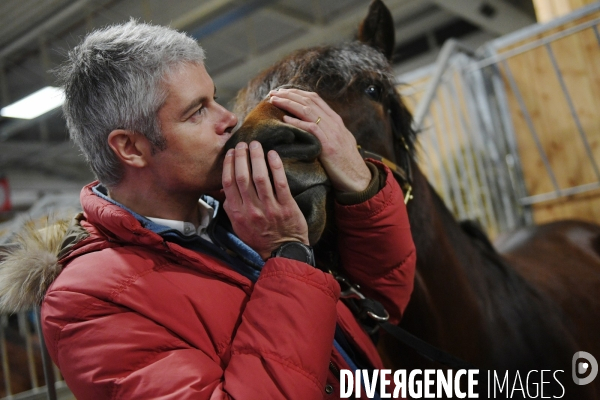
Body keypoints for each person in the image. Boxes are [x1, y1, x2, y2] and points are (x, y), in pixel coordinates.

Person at [0, 21, 415, 399]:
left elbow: (382, 299)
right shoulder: (86, 303)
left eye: (214, 98)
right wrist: (287, 254)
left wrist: (360, 186)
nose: (229, 119)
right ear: (130, 148)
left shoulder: (241, 210)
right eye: (197, 111)